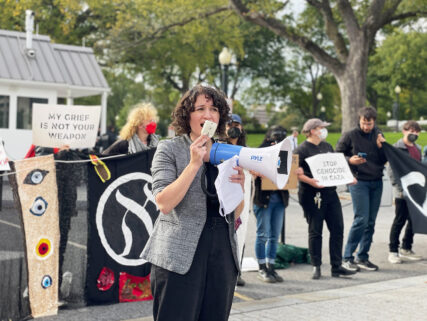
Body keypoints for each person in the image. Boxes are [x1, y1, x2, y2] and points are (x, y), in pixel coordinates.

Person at [141, 84, 244, 321]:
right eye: (200, 109)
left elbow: (235, 213)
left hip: (222, 252)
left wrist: (239, 187)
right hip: (180, 255)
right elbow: (164, 203)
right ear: (187, 115)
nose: (208, 115)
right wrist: (194, 164)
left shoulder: (226, 152)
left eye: (214, 109)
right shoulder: (169, 149)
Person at [294, 119, 357, 279]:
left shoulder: (327, 146)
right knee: (315, 231)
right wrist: (310, 181)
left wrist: (348, 178)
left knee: (337, 229)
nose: (324, 130)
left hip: (330, 193)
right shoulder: (301, 149)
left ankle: (336, 266)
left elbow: (336, 167)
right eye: (321, 128)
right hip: (311, 195)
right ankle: (316, 266)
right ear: (313, 130)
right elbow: (296, 173)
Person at [336, 106, 387, 271]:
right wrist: (350, 160)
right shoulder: (350, 135)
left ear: (374, 122)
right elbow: (337, 155)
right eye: (364, 123)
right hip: (358, 182)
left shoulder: (379, 134)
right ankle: (347, 257)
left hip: (376, 181)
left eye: (369, 124)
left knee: (371, 222)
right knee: (361, 219)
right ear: (359, 120)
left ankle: (362, 257)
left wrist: (382, 147)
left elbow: (385, 159)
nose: (366, 127)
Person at [252, 125, 289, 283]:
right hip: (264, 200)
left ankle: (271, 266)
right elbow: (251, 167)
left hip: (279, 198)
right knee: (263, 235)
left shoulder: (286, 152)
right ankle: (262, 267)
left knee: (274, 236)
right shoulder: (261, 151)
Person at [388, 120, 423, 264]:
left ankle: (406, 247)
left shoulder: (418, 148)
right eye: (410, 130)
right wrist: (400, 189)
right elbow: (391, 170)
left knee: (414, 220)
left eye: (416, 131)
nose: (413, 133)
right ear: (404, 131)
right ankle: (393, 251)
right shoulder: (397, 148)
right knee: (399, 221)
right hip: (402, 192)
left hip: (416, 192)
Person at [225, 113, 247, 287]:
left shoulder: (246, 150)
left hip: (242, 201)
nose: (232, 127)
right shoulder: (218, 147)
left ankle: (236, 271)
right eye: (229, 124)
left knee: (240, 235)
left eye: (236, 125)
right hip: (225, 200)